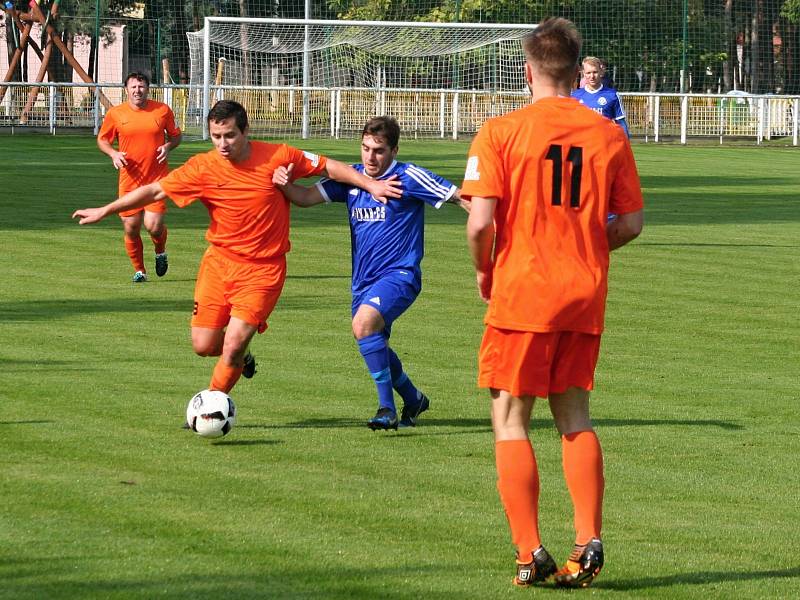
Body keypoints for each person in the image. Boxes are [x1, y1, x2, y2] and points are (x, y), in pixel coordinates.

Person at [462, 18, 643, 588]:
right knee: (574, 417)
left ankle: (528, 551)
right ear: (576, 69)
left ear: (527, 69)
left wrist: (485, 270)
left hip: (523, 291)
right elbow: (632, 222)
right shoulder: (607, 134)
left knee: (510, 418)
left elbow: (480, 222)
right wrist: (588, 245)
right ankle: (588, 539)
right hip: (583, 293)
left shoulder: (501, 131)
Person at [74, 100, 402, 405]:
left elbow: (329, 166)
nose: (223, 143)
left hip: (263, 271)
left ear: (245, 131)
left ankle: (210, 405)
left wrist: (369, 184)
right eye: (216, 136)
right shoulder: (203, 167)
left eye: (230, 135)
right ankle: (242, 358)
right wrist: (107, 209)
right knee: (204, 346)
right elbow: (155, 189)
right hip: (218, 265)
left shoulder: (278, 155)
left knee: (230, 346)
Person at [272, 116, 468, 430]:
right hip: (363, 281)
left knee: (364, 325)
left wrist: (497, 222)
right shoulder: (352, 178)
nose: (370, 157)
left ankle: (386, 409)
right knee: (373, 339)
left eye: (378, 150)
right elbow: (305, 199)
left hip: (400, 275)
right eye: (365, 148)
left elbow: (461, 197)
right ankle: (413, 398)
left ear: (394, 150)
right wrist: (284, 184)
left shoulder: (408, 176)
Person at [97, 72, 183, 282]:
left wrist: (168, 146)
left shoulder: (162, 110)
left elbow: (176, 135)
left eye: (141, 86)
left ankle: (160, 251)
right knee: (131, 226)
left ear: (148, 89)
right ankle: (140, 271)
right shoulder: (116, 114)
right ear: (126, 89)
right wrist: (113, 154)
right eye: (134, 87)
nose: (138, 90)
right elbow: (103, 140)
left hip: (157, 179)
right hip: (129, 181)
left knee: (153, 226)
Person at [572, 56, 630, 137]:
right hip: (582, 145)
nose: (592, 76)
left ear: (601, 72)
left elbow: (621, 124)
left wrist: (626, 146)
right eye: (588, 73)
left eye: (595, 72)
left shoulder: (612, 95)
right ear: (584, 74)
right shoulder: (574, 96)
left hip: (605, 145)